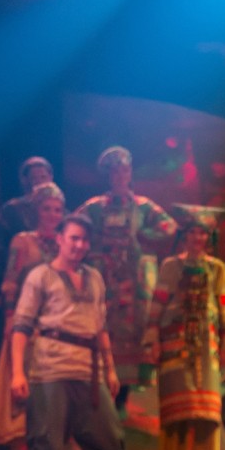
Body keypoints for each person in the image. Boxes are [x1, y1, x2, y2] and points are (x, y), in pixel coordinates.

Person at [8, 214, 128, 450]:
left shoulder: (95, 278)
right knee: (44, 449)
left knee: (111, 444)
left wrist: (110, 369)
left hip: (88, 373)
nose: (79, 245)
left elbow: (100, 328)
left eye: (85, 240)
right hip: (50, 370)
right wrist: (18, 372)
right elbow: (21, 326)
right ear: (59, 238)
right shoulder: (41, 276)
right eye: (74, 238)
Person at [142, 205, 225, 450]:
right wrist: (152, 337)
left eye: (203, 233)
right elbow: (158, 302)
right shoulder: (171, 266)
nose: (197, 238)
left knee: (201, 409)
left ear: (209, 237)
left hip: (206, 346)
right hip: (175, 341)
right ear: (184, 235)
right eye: (193, 232)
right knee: (176, 406)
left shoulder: (217, 268)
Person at [77, 146, 177, 406]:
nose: (120, 176)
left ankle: (124, 396)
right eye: (114, 172)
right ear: (107, 176)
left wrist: (144, 237)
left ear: (130, 173)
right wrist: (92, 251)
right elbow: (73, 228)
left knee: (136, 331)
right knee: (102, 326)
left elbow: (169, 227)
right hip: (104, 281)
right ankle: (100, 393)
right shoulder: (94, 207)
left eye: (124, 171)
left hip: (134, 283)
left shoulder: (143, 206)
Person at [0, 181, 67, 450]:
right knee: (22, 378)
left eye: (57, 209)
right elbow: (10, 282)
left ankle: (47, 444)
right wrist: (10, 318)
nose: (53, 214)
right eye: (47, 208)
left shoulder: (64, 243)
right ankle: (19, 442)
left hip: (54, 322)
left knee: (50, 382)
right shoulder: (22, 241)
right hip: (26, 322)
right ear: (36, 211)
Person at [0, 156, 55, 408]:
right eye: (34, 178)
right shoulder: (14, 209)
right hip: (16, 280)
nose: (39, 181)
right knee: (2, 332)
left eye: (43, 176)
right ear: (24, 181)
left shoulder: (59, 210)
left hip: (48, 290)